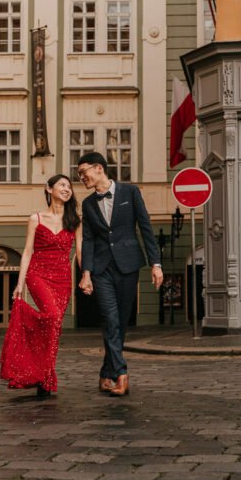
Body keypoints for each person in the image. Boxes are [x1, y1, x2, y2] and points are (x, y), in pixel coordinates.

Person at [77, 151, 163, 397]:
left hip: (128, 265)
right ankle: (121, 374)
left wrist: (156, 264)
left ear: (99, 168)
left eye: (83, 172)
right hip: (101, 269)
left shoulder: (130, 192)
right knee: (110, 319)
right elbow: (89, 240)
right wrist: (86, 273)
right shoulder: (88, 204)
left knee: (121, 321)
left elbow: (145, 227)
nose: (81, 177)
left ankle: (106, 372)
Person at [0, 174, 81, 399]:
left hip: (62, 278)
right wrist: (19, 284)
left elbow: (80, 251)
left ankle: (44, 377)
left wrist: (87, 276)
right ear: (49, 188)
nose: (67, 189)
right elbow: (27, 252)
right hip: (38, 275)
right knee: (52, 316)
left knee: (54, 327)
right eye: (62, 185)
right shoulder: (35, 218)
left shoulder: (75, 221)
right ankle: (42, 373)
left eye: (69, 186)